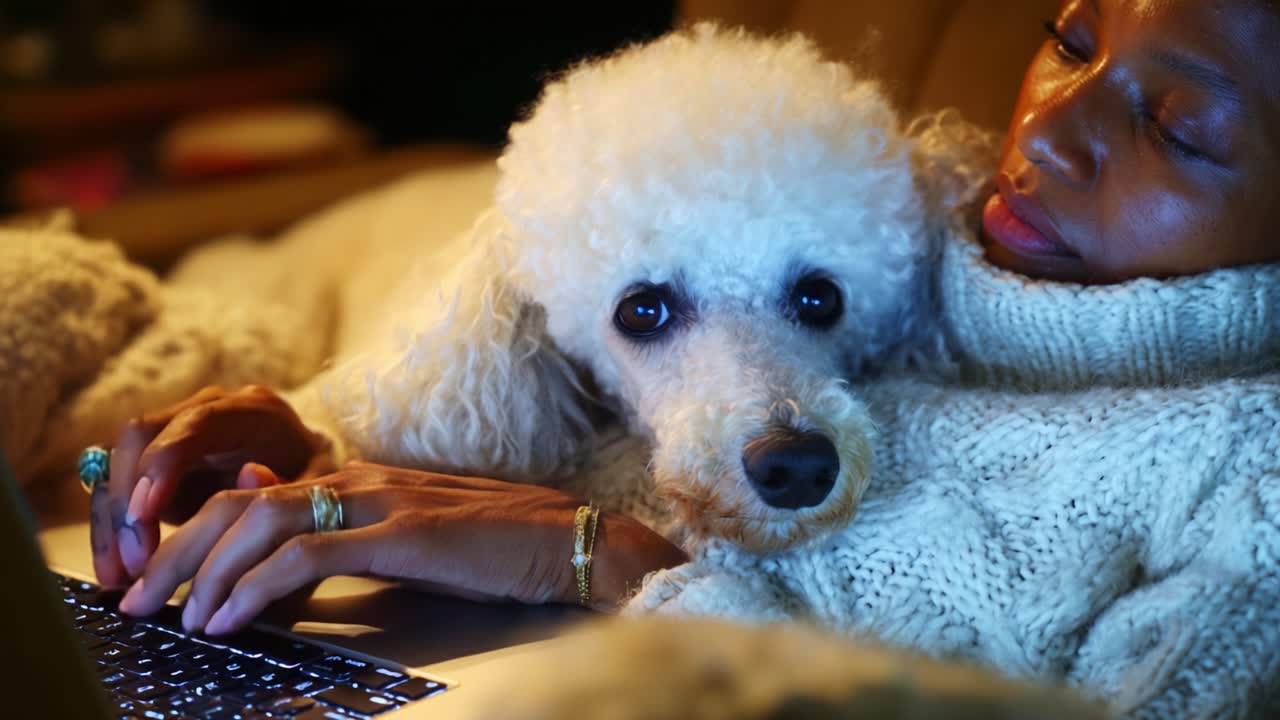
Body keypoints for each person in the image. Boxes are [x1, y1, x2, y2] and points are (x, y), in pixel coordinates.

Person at [90, 0, 1278, 710]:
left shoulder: (1249, 487)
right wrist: (300, 441)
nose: (1048, 128)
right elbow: (452, 413)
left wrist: (599, 558)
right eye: (1067, 41)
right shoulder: (903, 196)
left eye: (1177, 125)